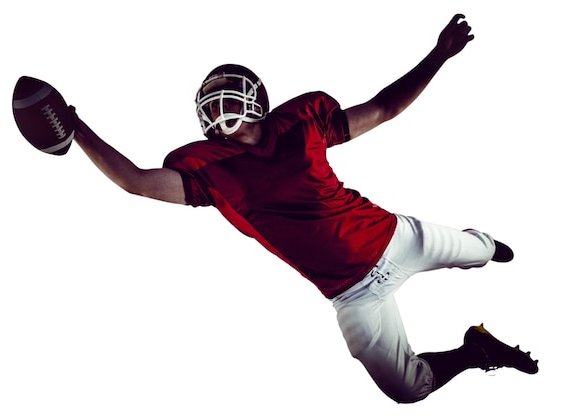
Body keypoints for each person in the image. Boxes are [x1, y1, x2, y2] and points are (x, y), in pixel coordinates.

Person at [71, 14, 538, 404]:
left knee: (479, 253)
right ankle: (474, 352)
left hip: (394, 239)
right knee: (406, 389)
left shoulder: (302, 121)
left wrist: (438, 54)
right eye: (212, 101)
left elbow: (383, 108)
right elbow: (135, 181)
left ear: (255, 96)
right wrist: (75, 128)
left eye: (229, 94)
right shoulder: (208, 170)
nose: (220, 106)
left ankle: (482, 242)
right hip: (352, 294)